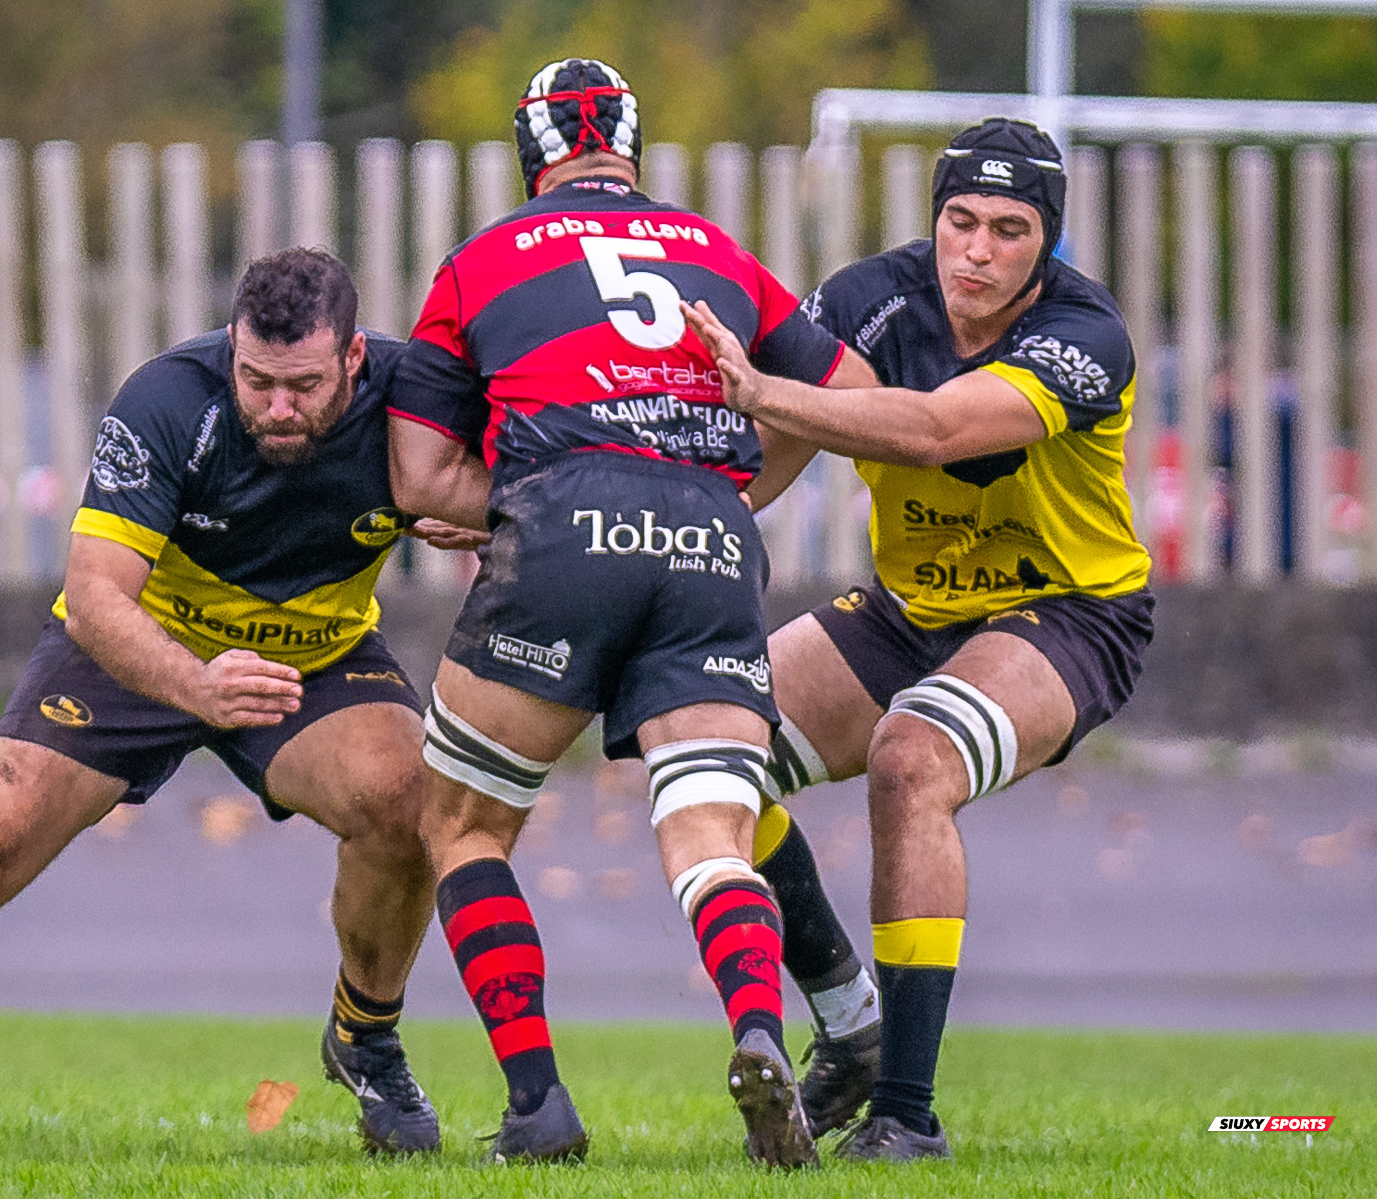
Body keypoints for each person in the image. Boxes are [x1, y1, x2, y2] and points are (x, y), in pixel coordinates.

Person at [0, 248, 479, 1157]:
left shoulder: (416, 398)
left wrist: (482, 514)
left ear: (355, 357)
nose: (278, 406)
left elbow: (527, 483)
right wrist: (197, 683)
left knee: (408, 805)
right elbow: (93, 598)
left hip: (313, 655)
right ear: (232, 348)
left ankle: (365, 1038)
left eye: (304, 386)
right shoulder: (166, 401)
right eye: (257, 380)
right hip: (141, 641)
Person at [387, 57, 876, 1168]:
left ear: (530, 156)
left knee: (463, 824)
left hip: (561, 528)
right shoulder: (715, 251)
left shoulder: (478, 262)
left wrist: (513, 503)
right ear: (632, 146)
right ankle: (759, 1026)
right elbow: (843, 399)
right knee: (710, 832)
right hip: (709, 537)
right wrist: (739, 486)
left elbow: (417, 474)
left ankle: (538, 1103)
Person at [683, 117, 1155, 1162]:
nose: (977, 251)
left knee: (913, 754)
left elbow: (940, 430)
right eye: (960, 221)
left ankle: (906, 1112)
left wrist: (762, 387)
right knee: (707, 745)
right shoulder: (869, 299)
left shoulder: (1085, 334)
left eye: (1008, 229)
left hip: (1070, 611)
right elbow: (763, 458)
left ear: (1047, 241)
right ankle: (849, 1023)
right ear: (935, 218)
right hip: (911, 609)